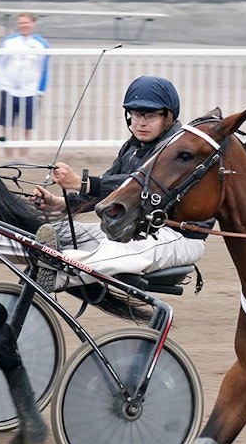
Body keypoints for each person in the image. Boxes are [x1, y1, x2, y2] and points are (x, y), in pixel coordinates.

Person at [26, 76, 211, 290]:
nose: (140, 122)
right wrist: (61, 203)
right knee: (56, 231)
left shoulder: (176, 151)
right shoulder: (131, 147)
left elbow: (139, 186)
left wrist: (81, 182)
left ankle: (55, 274)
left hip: (176, 236)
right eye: (135, 114)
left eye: (150, 115)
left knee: (118, 250)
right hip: (132, 229)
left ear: (168, 117)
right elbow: (108, 189)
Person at [0, 12, 49, 146]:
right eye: (21, 23)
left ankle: (25, 146)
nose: (23, 25)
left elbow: (44, 68)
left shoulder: (41, 44)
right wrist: (2, 84)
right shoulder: (9, 42)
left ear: (33, 23)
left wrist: (40, 89)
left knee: (27, 122)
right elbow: (0, 63)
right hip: (9, 87)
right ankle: (7, 144)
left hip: (30, 88)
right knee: (7, 118)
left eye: (26, 22)